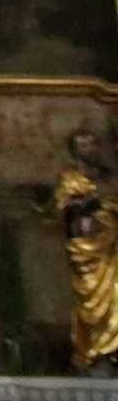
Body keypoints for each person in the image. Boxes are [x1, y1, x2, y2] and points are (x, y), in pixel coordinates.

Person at [54, 130, 118, 366]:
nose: (87, 150)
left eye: (91, 144)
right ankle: (92, 347)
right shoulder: (69, 176)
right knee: (89, 299)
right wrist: (92, 200)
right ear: (74, 150)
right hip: (85, 245)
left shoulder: (107, 175)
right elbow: (64, 207)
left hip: (109, 244)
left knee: (115, 295)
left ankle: (113, 347)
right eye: (82, 145)